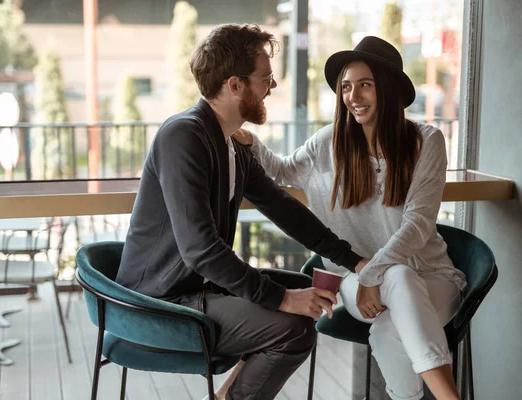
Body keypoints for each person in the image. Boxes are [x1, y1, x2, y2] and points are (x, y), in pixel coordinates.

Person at [115, 24, 367, 400]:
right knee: (292, 329)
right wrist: (282, 300)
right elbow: (200, 249)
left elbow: (282, 208)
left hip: (197, 289)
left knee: (303, 290)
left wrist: (352, 260)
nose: (272, 87)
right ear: (234, 85)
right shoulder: (183, 136)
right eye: (265, 78)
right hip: (160, 302)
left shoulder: (231, 145)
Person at [233, 36, 467, 400]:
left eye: (365, 85)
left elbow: (418, 225)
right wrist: (248, 140)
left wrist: (373, 272)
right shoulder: (328, 144)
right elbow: (281, 172)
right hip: (356, 284)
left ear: (387, 89)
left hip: (432, 278)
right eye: (346, 87)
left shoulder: (425, 141)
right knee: (398, 276)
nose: (353, 97)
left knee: (390, 329)